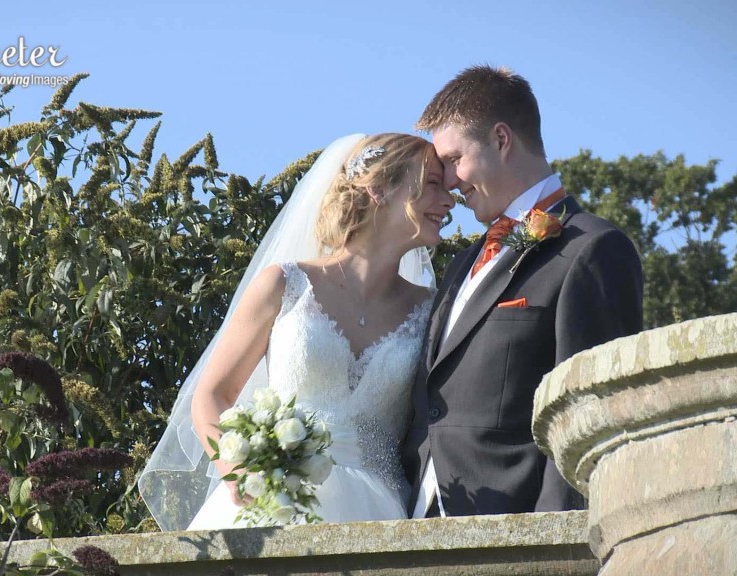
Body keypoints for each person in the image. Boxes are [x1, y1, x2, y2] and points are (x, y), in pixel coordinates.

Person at [138, 133, 454, 530]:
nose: (449, 200)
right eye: (432, 185)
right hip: (270, 505)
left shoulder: (434, 310)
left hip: (377, 515)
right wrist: (235, 466)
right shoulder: (284, 285)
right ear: (380, 189)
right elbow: (213, 394)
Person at [402, 65, 644, 517]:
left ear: (500, 139)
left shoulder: (592, 250)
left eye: (455, 160)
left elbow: (590, 416)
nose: (450, 183)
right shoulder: (459, 264)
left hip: (514, 531)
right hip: (418, 522)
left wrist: (553, 543)